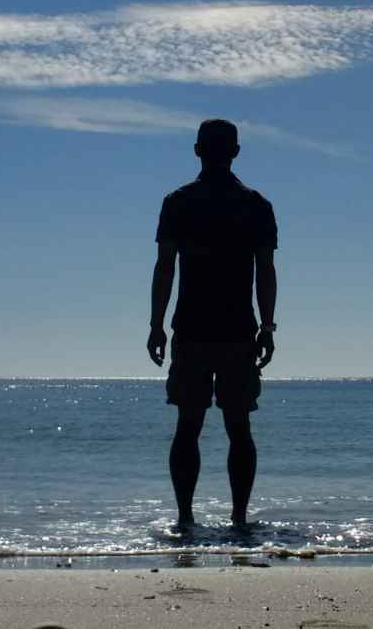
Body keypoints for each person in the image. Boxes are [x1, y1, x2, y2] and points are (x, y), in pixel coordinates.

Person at [146, 119, 278, 531]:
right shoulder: (255, 204)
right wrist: (268, 327)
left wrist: (156, 324)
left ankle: (186, 518)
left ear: (198, 150)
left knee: (189, 424)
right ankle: (238, 519)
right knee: (238, 426)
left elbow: (165, 267)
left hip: (193, 328)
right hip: (237, 329)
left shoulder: (179, 202)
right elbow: (266, 273)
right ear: (235, 152)